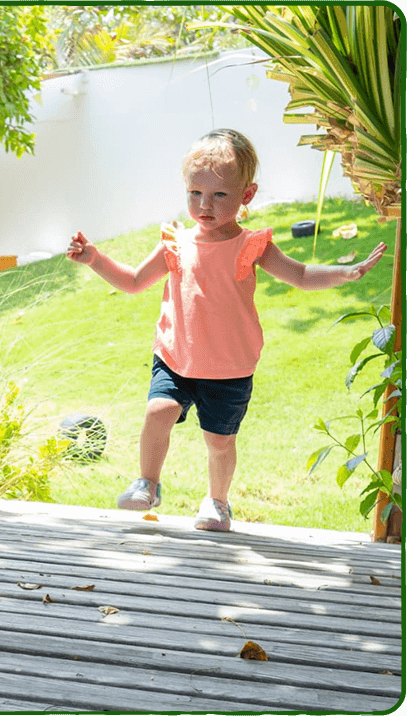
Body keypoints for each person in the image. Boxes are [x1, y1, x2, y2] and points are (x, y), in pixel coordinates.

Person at [66, 128, 387, 532]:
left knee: (219, 441)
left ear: (246, 196)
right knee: (158, 410)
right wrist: (95, 259)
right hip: (176, 357)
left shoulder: (251, 245)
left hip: (230, 367)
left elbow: (301, 275)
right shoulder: (175, 243)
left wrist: (344, 273)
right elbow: (132, 281)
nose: (205, 205)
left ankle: (218, 502)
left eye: (219, 195)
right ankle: (148, 482)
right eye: (195, 193)